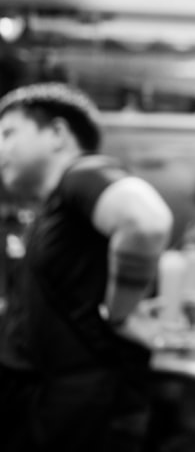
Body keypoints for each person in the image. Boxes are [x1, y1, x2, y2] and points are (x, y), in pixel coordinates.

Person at [0, 82, 173, 452]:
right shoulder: (55, 205)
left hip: (89, 412)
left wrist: (119, 313)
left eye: (8, 133)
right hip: (56, 407)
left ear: (58, 134)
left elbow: (146, 221)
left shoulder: (83, 173)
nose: (1, 149)